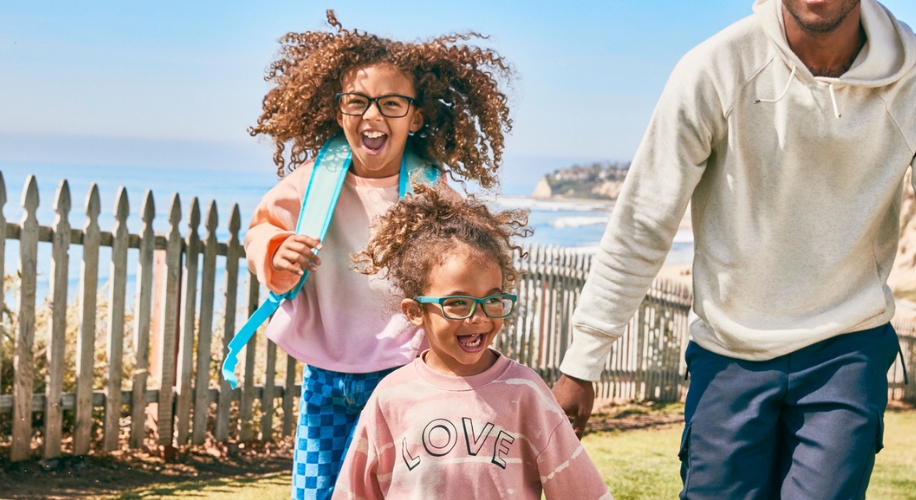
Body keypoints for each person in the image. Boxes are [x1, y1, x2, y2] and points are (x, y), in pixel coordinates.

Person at [552, 0, 916, 498]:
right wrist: (582, 360)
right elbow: (643, 221)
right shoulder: (715, 68)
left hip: (847, 347)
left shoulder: (910, 73)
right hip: (729, 351)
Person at [243, 11, 512, 500]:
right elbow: (261, 231)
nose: (372, 116)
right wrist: (277, 254)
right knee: (315, 490)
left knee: (397, 489)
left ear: (417, 116)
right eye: (358, 102)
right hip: (325, 374)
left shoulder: (433, 192)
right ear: (338, 111)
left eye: (391, 103)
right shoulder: (312, 180)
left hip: (402, 370)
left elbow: (466, 263)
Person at [331, 185, 612, 500]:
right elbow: (355, 492)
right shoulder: (390, 398)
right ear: (414, 311)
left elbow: (581, 490)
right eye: (458, 303)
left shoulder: (526, 392)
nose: (478, 317)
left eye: (492, 299)